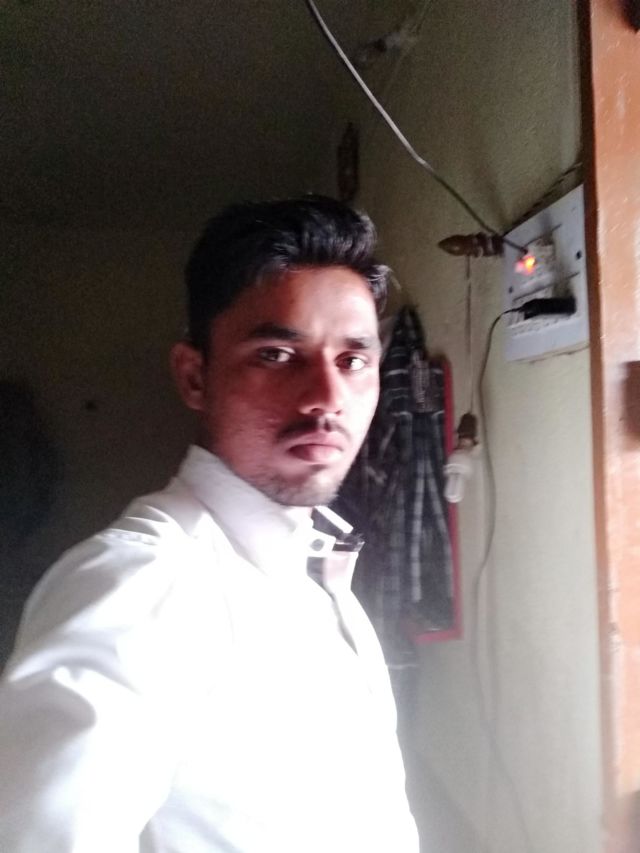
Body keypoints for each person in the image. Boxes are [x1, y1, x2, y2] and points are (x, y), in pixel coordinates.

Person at [0, 196, 419, 853]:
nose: (328, 397)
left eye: (352, 360)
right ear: (195, 376)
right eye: (277, 354)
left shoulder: (317, 568)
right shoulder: (139, 584)